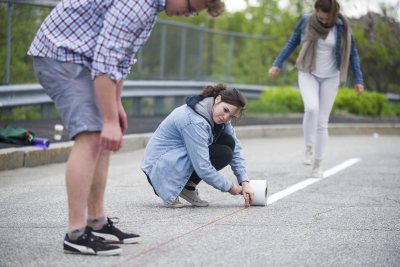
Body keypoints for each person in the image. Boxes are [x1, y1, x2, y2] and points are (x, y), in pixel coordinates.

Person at [27, 0, 225, 256]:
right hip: (61, 55)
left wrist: (115, 106)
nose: (187, 15)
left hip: (82, 58)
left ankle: (96, 221)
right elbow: (105, 62)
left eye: (192, 13)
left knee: (103, 140)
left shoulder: (150, 10)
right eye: (189, 7)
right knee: (91, 134)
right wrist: (108, 120)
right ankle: (76, 234)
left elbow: (120, 63)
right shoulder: (138, 5)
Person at [268, 0, 364, 178]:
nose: (323, 22)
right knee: (311, 108)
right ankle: (308, 147)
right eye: (320, 17)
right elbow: (292, 42)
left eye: (327, 19)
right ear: (315, 12)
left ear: (334, 15)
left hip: (331, 76)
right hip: (308, 72)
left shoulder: (343, 27)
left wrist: (358, 80)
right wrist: (277, 64)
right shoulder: (306, 21)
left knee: (322, 121)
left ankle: (318, 164)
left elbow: (353, 54)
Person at [141, 84, 255, 208]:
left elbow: (236, 147)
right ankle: (171, 187)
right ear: (217, 99)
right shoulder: (194, 121)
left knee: (228, 142)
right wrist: (230, 187)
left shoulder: (219, 116)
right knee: (224, 153)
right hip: (159, 168)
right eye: (225, 110)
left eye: (231, 116)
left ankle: (188, 187)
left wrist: (244, 181)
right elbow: (203, 167)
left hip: (175, 158)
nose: (226, 117)